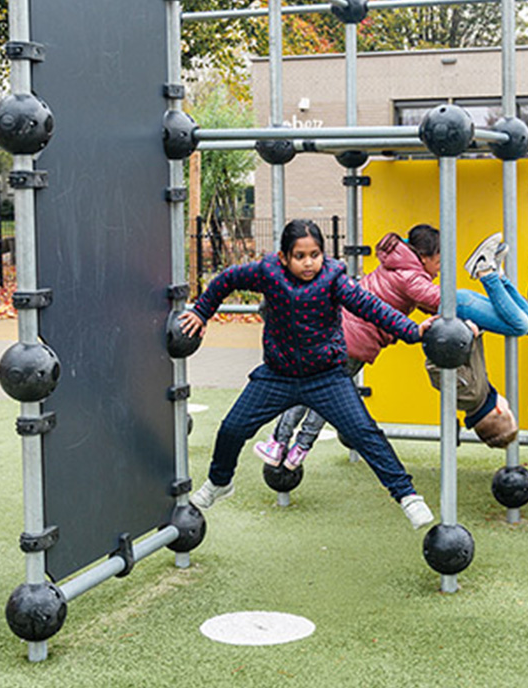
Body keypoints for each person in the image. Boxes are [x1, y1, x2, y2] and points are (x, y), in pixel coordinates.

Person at [179, 219, 435, 530]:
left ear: (323, 255)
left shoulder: (333, 279)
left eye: (315, 254)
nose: (309, 263)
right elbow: (227, 279)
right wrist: (201, 311)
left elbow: (370, 307)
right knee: (232, 428)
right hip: (277, 375)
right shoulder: (267, 273)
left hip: (326, 378)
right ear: (284, 257)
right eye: (300, 256)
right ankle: (220, 483)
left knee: (366, 434)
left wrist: (412, 330)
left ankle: (407, 496)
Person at [254, 226, 528, 469]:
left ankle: (282, 445)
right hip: (354, 341)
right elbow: (440, 301)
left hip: (340, 337)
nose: (441, 268)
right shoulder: (410, 276)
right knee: (522, 326)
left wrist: (466, 329)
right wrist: (464, 327)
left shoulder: (399, 269)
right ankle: (487, 270)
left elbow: (422, 302)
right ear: (424, 258)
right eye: (439, 261)